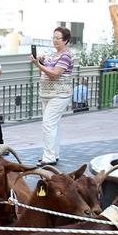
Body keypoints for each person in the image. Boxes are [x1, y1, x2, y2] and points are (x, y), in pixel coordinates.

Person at [33, 27, 74, 166]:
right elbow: (46, 72)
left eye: (58, 38)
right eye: (54, 37)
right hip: (47, 94)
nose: (55, 40)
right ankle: (53, 154)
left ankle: (49, 157)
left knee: (48, 124)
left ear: (66, 40)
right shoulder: (53, 55)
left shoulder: (66, 56)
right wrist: (42, 63)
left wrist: (38, 65)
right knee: (53, 125)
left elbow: (55, 74)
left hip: (59, 94)